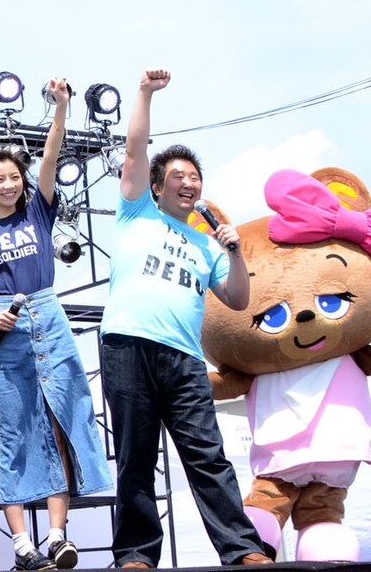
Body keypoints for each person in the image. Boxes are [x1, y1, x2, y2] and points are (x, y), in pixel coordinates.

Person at [99, 69, 271, 568]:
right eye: (178, 176)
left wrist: (235, 253)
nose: (189, 183)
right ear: (155, 186)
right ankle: (135, 554)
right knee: (136, 457)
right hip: (128, 347)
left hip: (185, 359)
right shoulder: (136, 213)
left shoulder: (207, 242)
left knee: (208, 457)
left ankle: (241, 548)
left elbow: (238, 300)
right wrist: (145, 94)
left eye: (195, 178)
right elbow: (134, 149)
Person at [0, 79, 113, 571]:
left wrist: (62, 109)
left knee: (59, 423)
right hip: (6, 332)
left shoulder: (37, 215)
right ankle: (22, 545)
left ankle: (56, 537)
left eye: (14, 177)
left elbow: (49, 158)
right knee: (9, 432)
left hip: (49, 318)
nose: (9, 183)